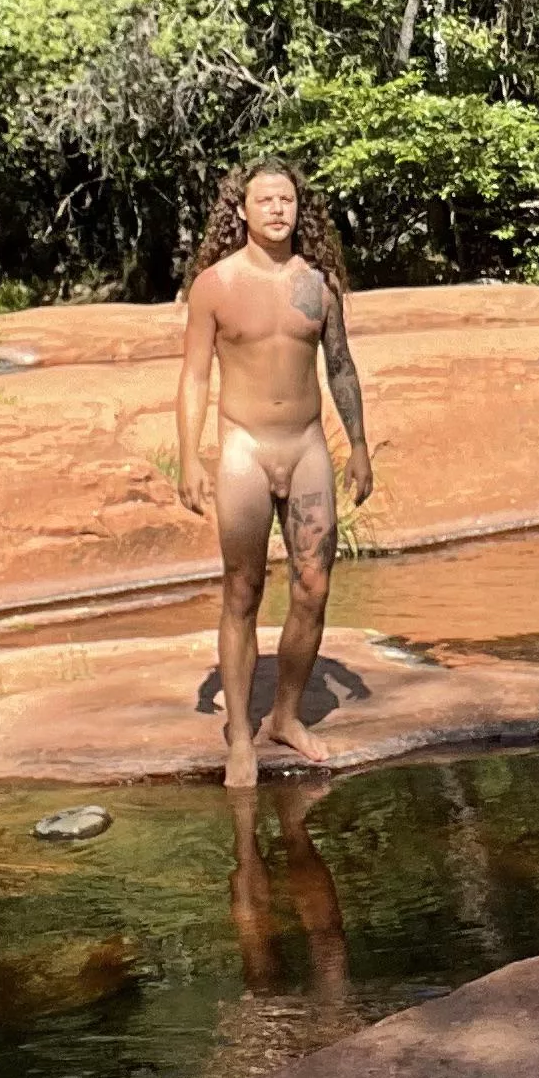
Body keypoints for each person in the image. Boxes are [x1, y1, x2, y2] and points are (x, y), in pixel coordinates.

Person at [177, 158, 373, 787]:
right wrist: (189, 456)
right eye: (265, 200)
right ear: (243, 210)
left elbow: (340, 366)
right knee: (244, 591)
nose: (277, 210)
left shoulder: (319, 284)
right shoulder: (215, 285)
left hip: (308, 445)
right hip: (244, 449)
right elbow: (195, 377)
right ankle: (239, 733)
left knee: (313, 586)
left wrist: (360, 446)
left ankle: (284, 716)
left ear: (298, 208)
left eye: (286, 199)